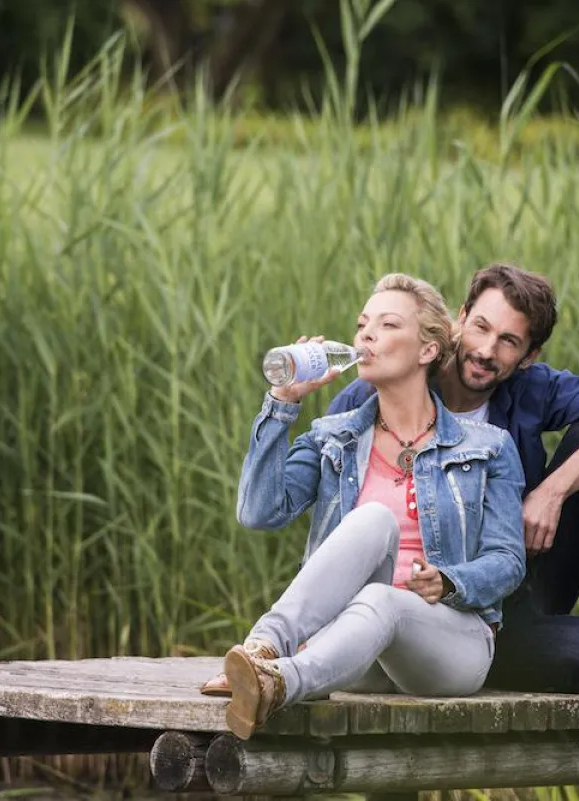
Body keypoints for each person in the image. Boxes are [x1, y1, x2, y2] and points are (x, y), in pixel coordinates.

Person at [327, 263, 579, 697]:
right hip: (419, 603)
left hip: (511, 586)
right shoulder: (384, 388)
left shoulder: (530, 390)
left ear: (529, 356)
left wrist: (552, 490)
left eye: (508, 341)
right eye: (481, 327)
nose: (486, 350)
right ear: (460, 318)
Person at [208, 273, 528, 739]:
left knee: (384, 599)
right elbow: (259, 512)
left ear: (428, 350)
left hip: (447, 646)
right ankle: (264, 650)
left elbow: (508, 561)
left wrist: (450, 580)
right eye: (363, 325)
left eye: (388, 324)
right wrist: (282, 402)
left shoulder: (488, 447)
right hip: (347, 648)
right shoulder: (331, 435)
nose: (366, 336)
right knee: (374, 521)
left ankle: (278, 684)